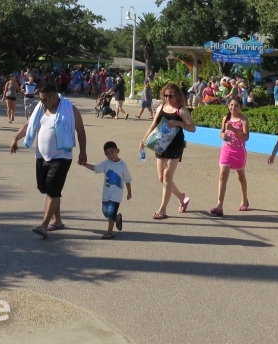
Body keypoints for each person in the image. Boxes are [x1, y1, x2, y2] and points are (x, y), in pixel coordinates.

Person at [10, 83, 87, 238]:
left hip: (62, 156)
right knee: (45, 188)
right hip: (42, 156)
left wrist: (83, 152)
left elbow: (81, 131)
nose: (42, 102)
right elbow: (29, 124)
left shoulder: (70, 109)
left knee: (52, 191)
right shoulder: (41, 108)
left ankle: (44, 225)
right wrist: (16, 138)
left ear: (53, 97)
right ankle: (57, 220)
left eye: (44, 99)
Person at [139, 82, 195, 220]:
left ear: (177, 96)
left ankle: (162, 209)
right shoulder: (162, 107)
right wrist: (144, 140)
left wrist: (179, 123)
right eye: (166, 95)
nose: (168, 98)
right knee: (161, 178)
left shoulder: (181, 110)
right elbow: (153, 124)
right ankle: (182, 197)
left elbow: (192, 128)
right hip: (160, 143)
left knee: (167, 177)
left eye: (171, 95)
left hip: (175, 146)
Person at [80, 140, 132, 239]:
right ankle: (116, 218)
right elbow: (95, 168)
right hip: (106, 193)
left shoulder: (122, 165)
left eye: (112, 152)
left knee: (111, 211)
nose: (110, 155)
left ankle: (109, 231)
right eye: (107, 153)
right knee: (106, 213)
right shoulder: (106, 163)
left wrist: (129, 192)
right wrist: (84, 164)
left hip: (117, 194)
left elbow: (127, 179)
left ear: (118, 150)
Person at [211, 97, 250, 216]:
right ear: (228, 106)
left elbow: (246, 137)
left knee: (240, 176)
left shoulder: (243, 120)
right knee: (222, 175)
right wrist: (222, 135)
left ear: (240, 107)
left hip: (238, 151)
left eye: (236, 105)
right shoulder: (225, 118)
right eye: (231, 105)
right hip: (226, 150)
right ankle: (219, 205)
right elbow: (221, 132)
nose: (233, 107)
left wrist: (233, 129)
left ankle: (244, 200)